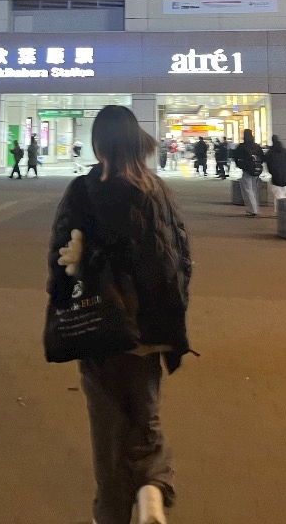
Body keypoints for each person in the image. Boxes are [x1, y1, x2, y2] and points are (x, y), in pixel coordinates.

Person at [46, 105, 192, 524]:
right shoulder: (158, 190)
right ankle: (151, 491)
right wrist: (170, 323)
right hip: (151, 329)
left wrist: (62, 306)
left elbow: (59, 259)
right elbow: (180, 259)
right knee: (145, 418)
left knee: (108, 433)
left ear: (99, 143)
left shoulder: (84, 190)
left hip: (103, 328)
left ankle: (113, 513)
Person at [233, 129, 264, 216]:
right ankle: (254, 208)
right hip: (256, 170)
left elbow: (236, 157)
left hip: (247, 170)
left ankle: (253, 209)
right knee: (254, 190)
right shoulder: (257, 146)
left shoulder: (242, 147)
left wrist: (241, 165)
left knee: (247, 190)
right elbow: (262, 157)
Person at [263, 135, 286, 214]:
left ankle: (280, 211)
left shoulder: (270, 152)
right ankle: (284, 210)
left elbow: (268, 164)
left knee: (278, 196)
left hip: (276, 177)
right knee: (284, 194)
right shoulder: (285, 152)